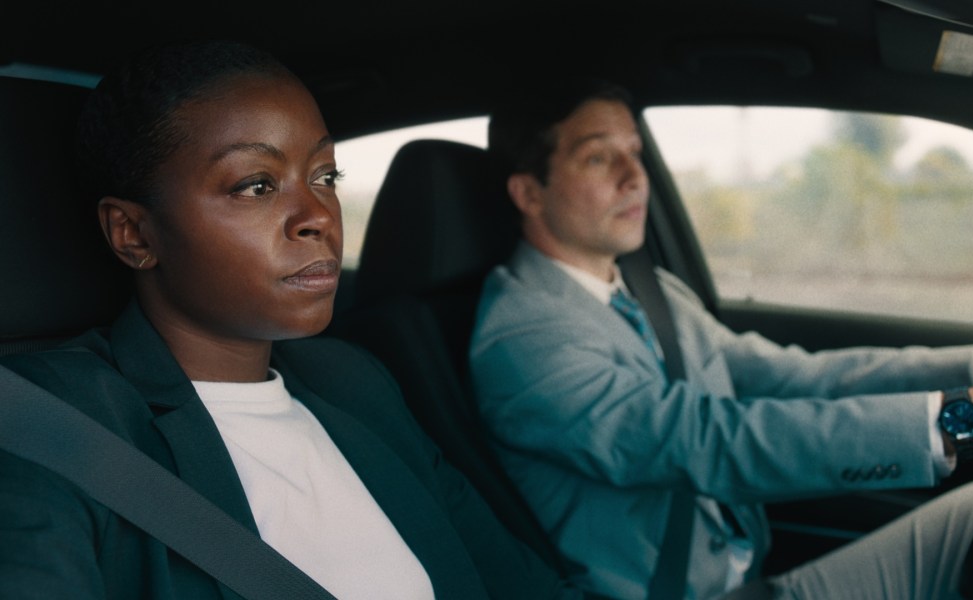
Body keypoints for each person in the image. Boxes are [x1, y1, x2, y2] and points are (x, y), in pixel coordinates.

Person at [0, 39, 582, 599]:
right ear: (133, 234)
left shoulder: (354, 383)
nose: (317, 217)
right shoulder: (49, 424)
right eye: (256, 185)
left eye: (326, 176)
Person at [467, 76, 973, 600]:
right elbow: (710, 441)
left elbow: (788, 376)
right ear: (529, 193)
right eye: (599, 158)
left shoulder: (647, 288)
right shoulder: (521, 340)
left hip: (745, 578)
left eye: (634, 151)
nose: (635, 176)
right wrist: (968, 416)